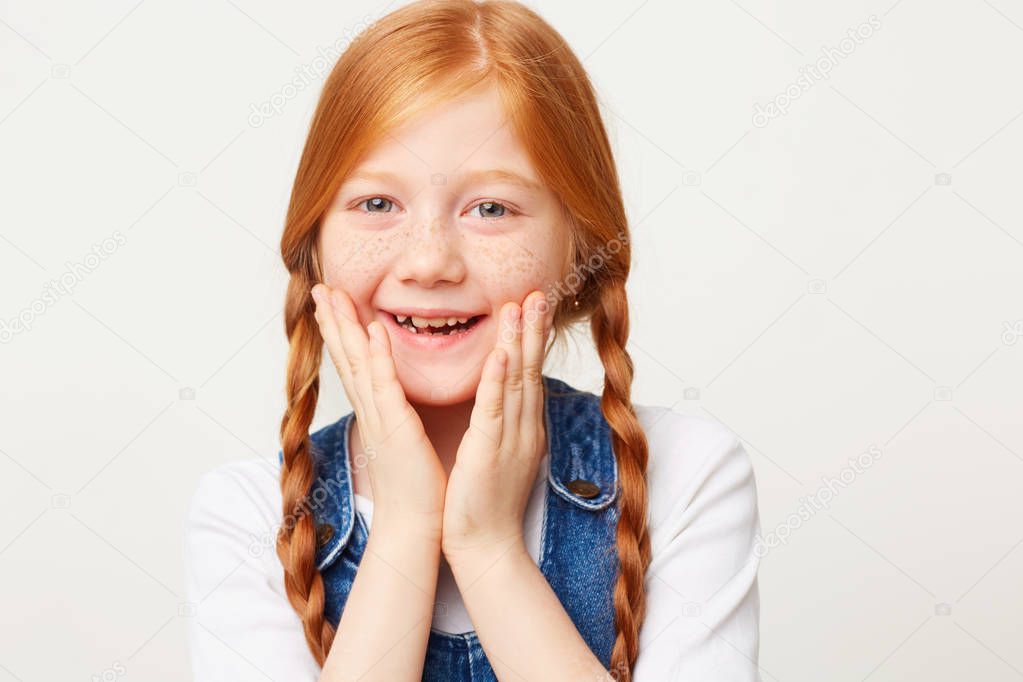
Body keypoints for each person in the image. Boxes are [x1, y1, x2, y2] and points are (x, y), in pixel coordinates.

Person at [184, 1, 761, 679]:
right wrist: (404, 528)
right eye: (376, 205)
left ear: (579, 251)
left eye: (491, 209)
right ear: (314, 245)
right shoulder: (251, 516)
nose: (429, 262)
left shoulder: (684, 474)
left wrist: (488, 548)